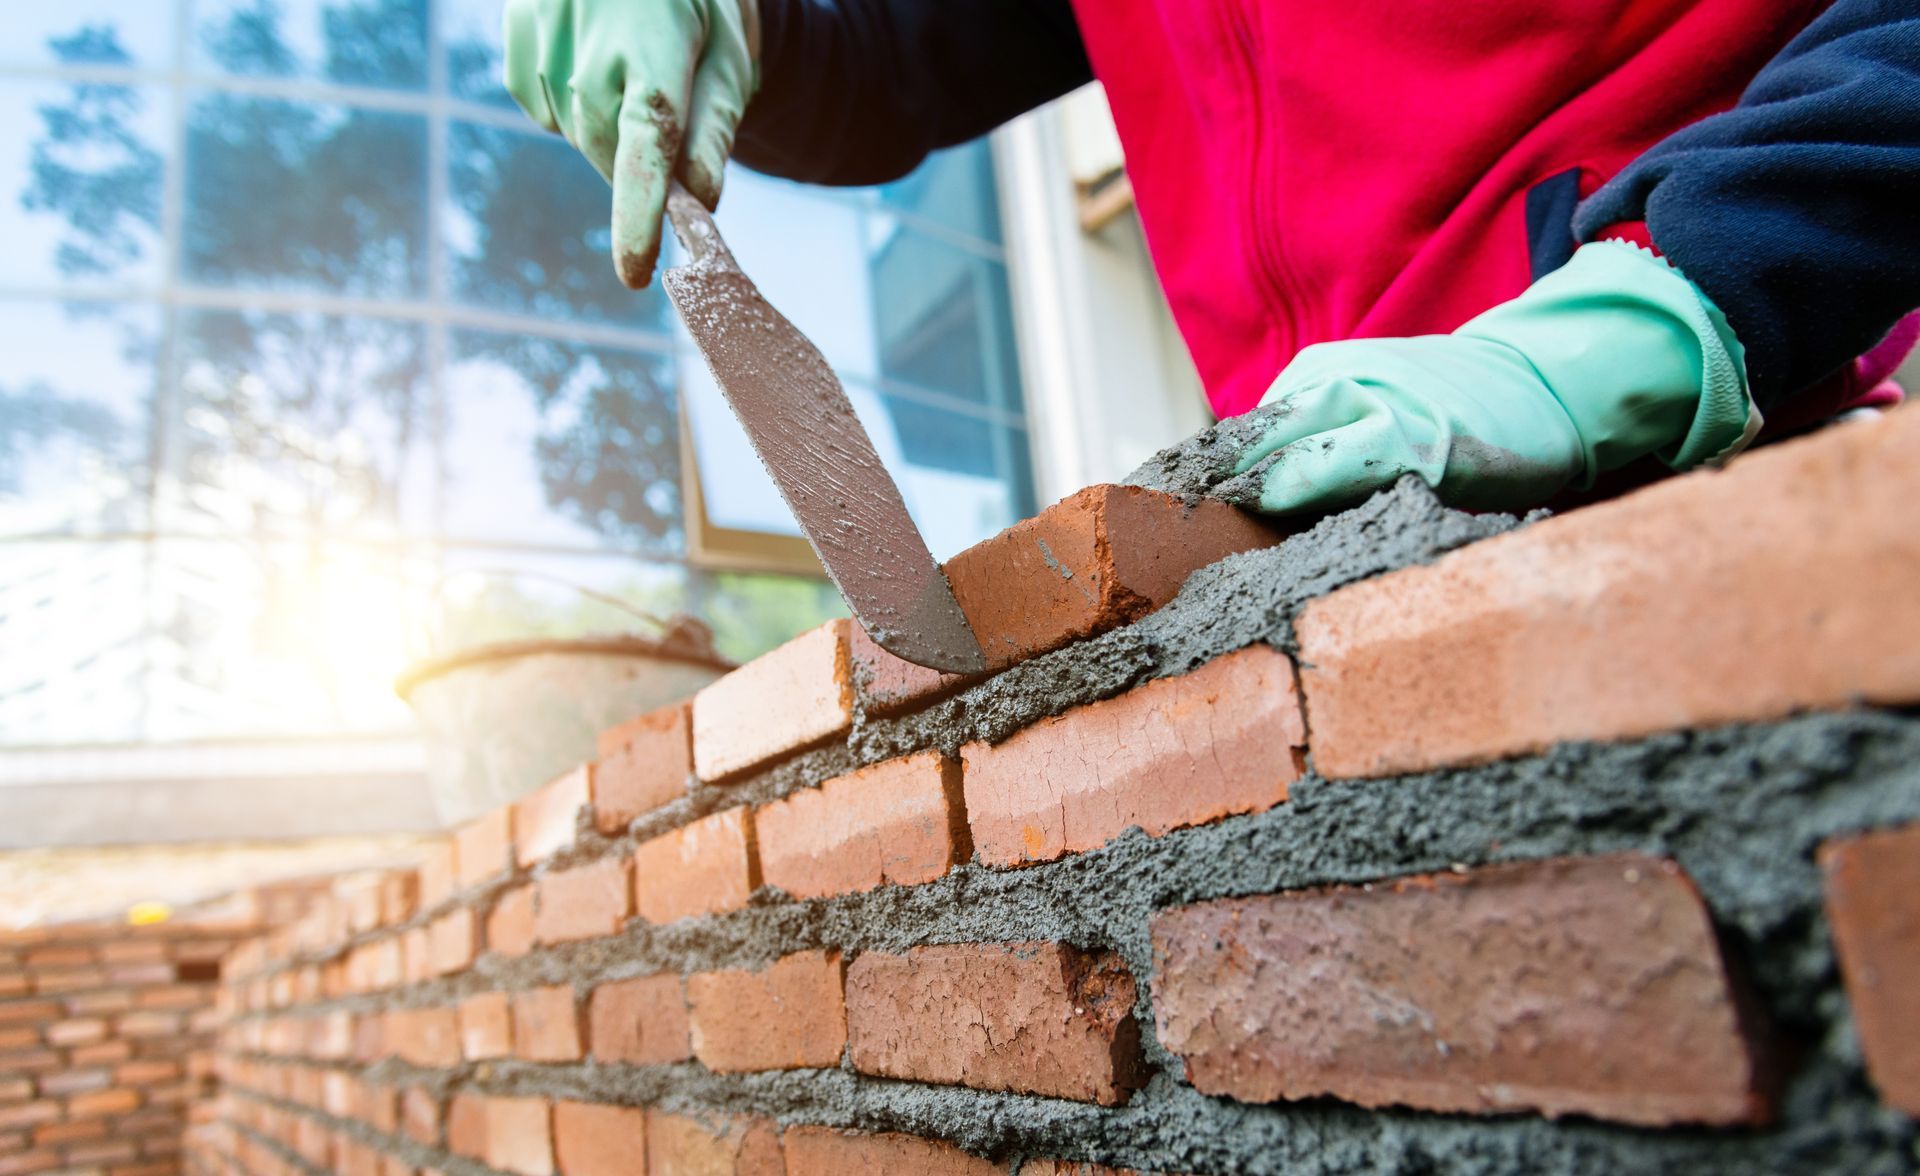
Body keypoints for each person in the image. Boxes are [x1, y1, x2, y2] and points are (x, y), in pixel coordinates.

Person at [499, 0, 1920, 516]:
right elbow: (903, 55)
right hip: (1336, 490)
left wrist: (1686, 292)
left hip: (1717, 437)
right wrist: (733, 22)